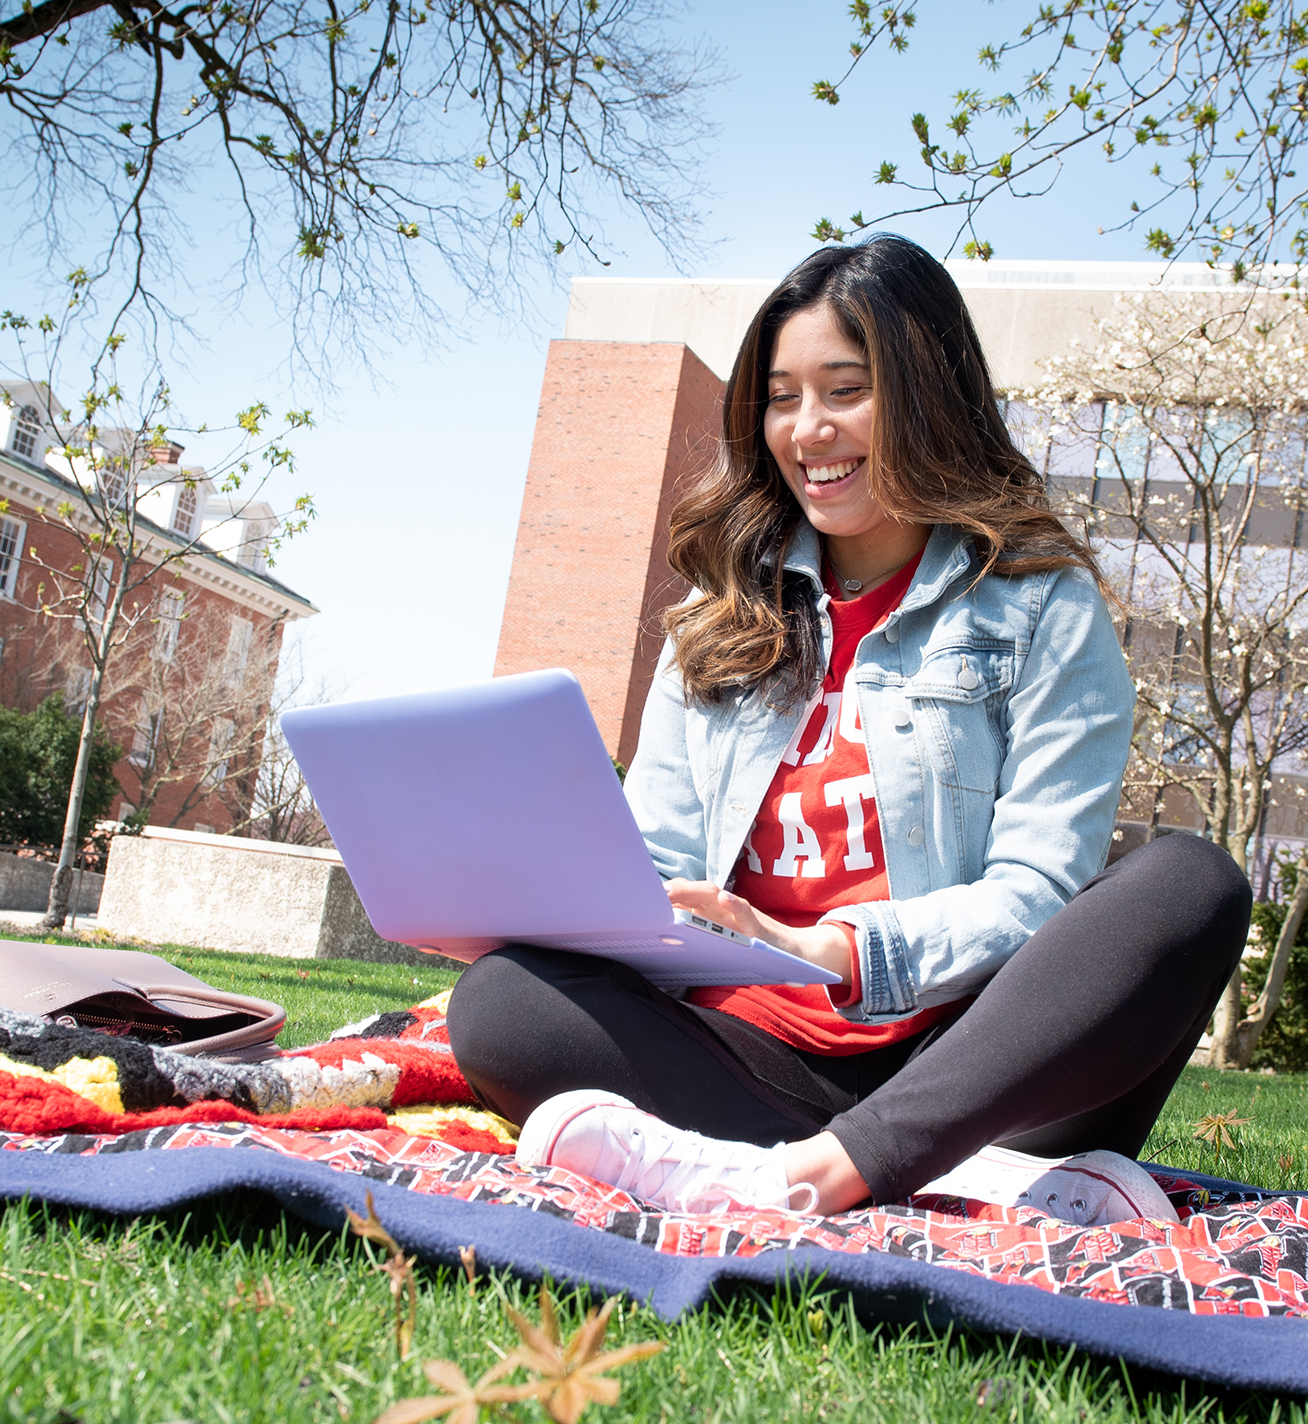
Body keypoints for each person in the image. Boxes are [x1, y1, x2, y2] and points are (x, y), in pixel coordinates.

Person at [444, 235, 1253, 1224]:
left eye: (844, 390)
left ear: (924, 395)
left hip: (976, 1072)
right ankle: (933, 1187)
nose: (808, 430)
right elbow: (659, 858)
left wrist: (831, 949)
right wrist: (573, 907)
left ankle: (821, 1175)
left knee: (1189, 886)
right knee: (504, 1002)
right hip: (751, 1058)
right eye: (782, 397)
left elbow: (1036, 889)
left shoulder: (1039, 605)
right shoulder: (718, 611)